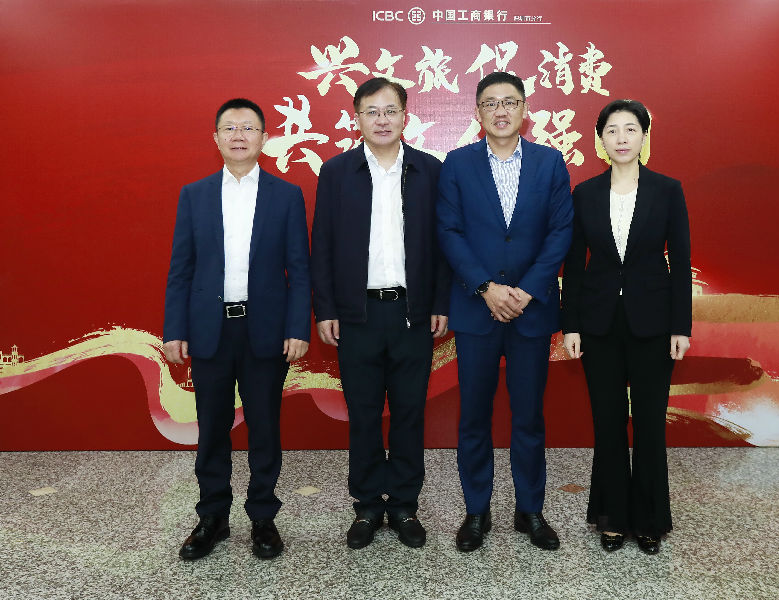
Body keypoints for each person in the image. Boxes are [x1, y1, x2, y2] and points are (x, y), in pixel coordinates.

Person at [163, 98, 311, 560]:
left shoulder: (286, 195)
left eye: (249, 127)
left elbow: (299, 270)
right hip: (210, 330)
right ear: (216, 138)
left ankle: (263, 517)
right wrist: (174, 329)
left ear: (264, 138)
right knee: (212, 427)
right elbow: (181, 270)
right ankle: (212, 517)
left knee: (264, 426)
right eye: (230, 128)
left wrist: (298, 327)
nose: (239, 135)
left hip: (265, 330)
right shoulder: (195, 194)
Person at [311, 77, 450, 550]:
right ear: (357, 118)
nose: (382, 120)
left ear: (405, 116)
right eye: (372, 112)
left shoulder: (429, 170)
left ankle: (405, 503)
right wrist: (326, 308)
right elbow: (322, 244)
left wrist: (440, 303)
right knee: (365, 413)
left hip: (413, 313)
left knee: (409, 412)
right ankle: (368, 504)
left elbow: (444, 245)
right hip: (358, 314)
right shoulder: (337, 172)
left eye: (390, 111)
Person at [437, 71, 573, 552]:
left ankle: (530, 509)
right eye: (490, 103)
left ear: (524, 109)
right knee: (473, 416)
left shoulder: (549, 162)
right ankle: (476, 510)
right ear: (477, 112)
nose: (501, 111)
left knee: (529, 416)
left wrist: (528, 291)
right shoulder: (457, 163)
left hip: (531, 313)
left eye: (510, 102)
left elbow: (560, 232)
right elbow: (449, 231)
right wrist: (486, 288)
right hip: (477, 310)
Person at [561, 99, 691, 555]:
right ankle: (613, 517)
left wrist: (681, 327)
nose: (621, 138)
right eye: (612, 130)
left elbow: (680, 262)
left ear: (644, 136)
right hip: (598, 325)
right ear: (601, 140)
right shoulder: (585, 194)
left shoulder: (667, 190)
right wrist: (571, 325)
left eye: (630, 129)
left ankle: (650, 519)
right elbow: (574, 266)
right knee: (609, 423)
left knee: (650, 424)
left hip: (654, 323)